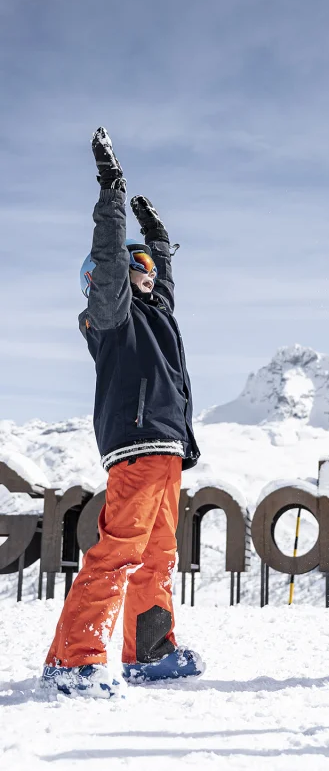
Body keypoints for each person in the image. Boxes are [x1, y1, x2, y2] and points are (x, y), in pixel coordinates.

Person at [41, 128, 203, 698]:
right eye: (137, 265)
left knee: (158, 556)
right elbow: (112, 259)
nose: (147, 271)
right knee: (117, 553)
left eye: (149, 265)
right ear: (100, 281)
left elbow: (164, 286)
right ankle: (75, 660)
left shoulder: (155, 313)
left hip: (167, 449)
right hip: (136, 441)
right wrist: (112, 189)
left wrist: (158, 239)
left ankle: (151, 652)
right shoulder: (110, 316)